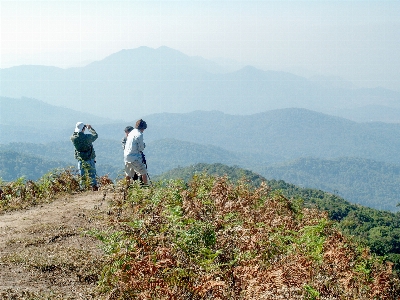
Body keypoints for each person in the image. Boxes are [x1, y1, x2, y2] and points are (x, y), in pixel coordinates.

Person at [70, 122, 99, 191]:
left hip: (81, 158)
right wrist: (90, 128)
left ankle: (82, 188)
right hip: (90, 157)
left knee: (82, 174)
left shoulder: (73, 138)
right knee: (92, 173)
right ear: (83, 129)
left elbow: (74, 134)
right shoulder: (87, 137)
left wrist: (79, 130)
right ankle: (94, 187)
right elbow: (95, 135)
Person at [124, 119, 148, 186]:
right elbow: (141, 148)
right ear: (143, 128)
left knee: (128, 174)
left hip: (126, 156)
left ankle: (127, 187)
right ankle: (146, 187)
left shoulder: (132, 132)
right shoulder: (139, 134)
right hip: (134, 157)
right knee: (143, 172)